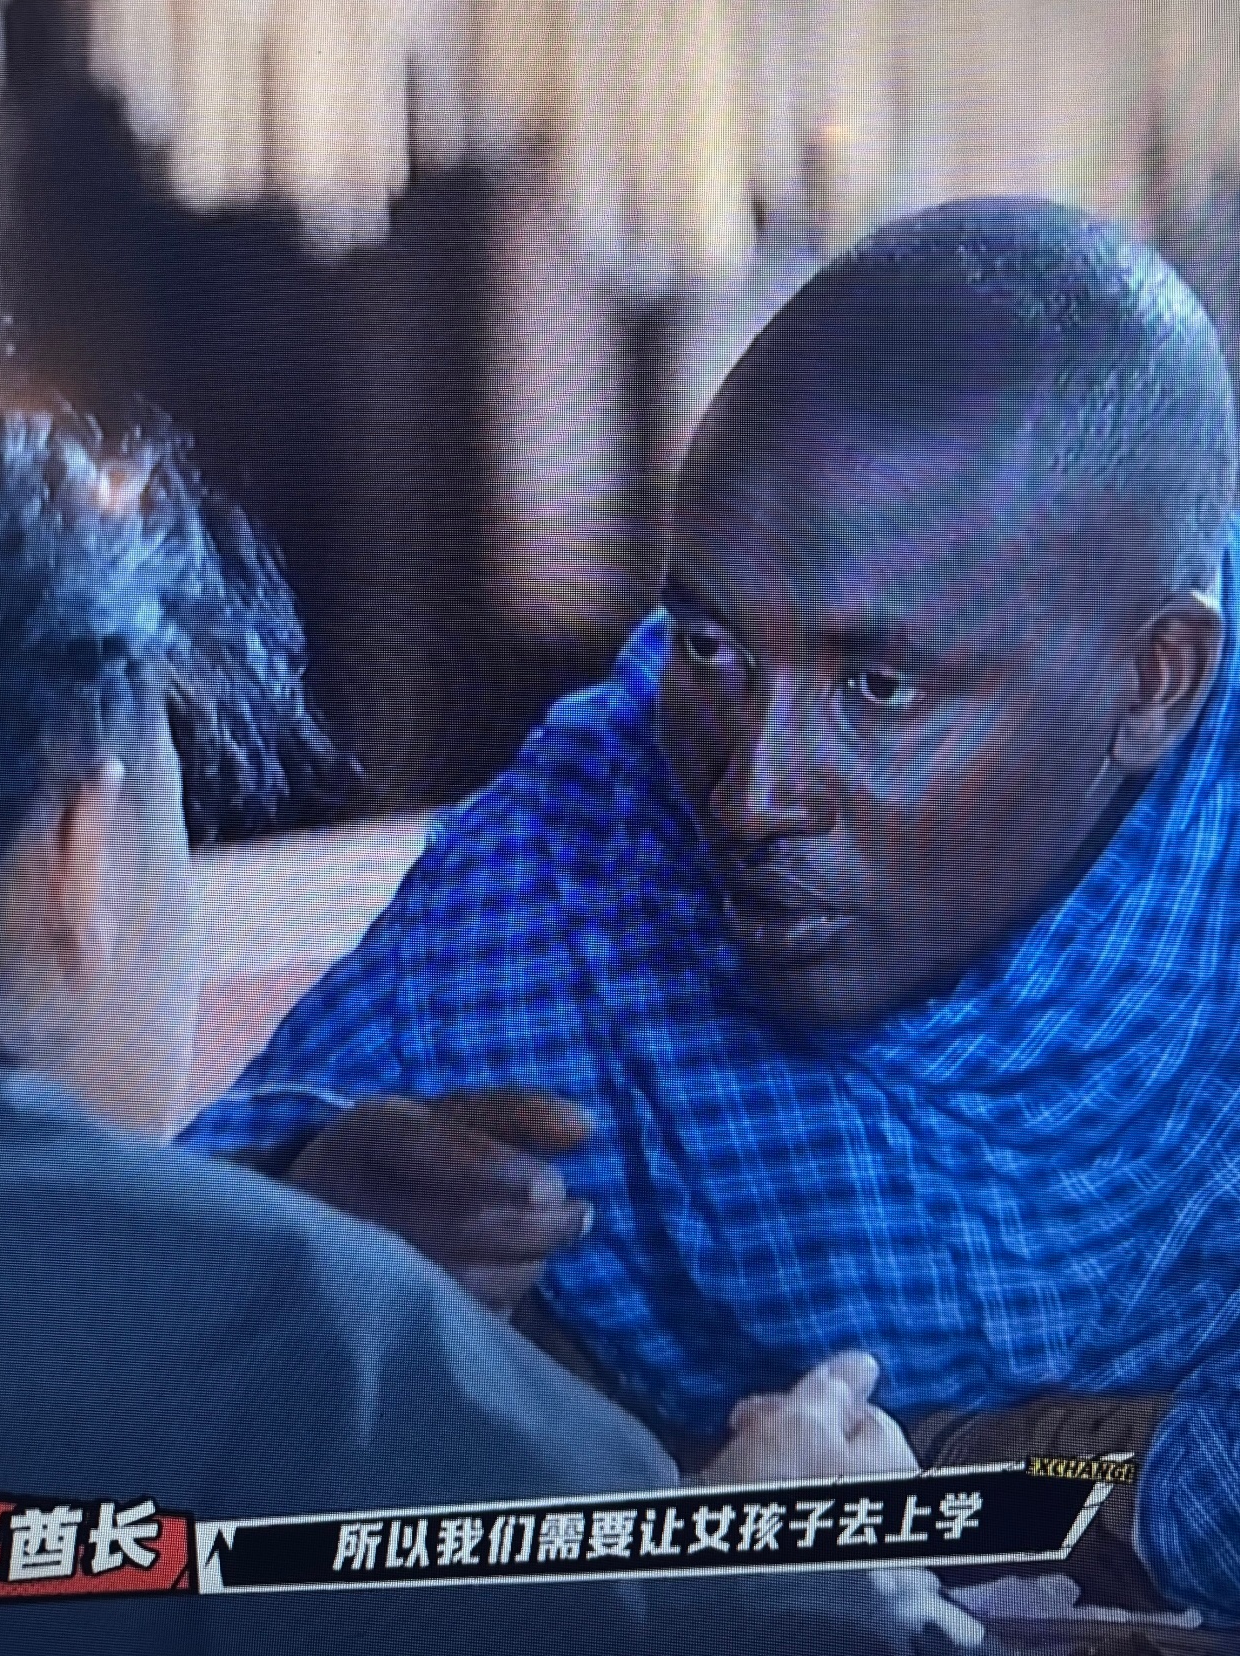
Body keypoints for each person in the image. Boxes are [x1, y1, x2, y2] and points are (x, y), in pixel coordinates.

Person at [181, 196, 1240, 1622]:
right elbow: (123, 1329)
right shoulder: (579, 853)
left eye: (878, 689)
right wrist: (304, 1235)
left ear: (1155, 681)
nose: (750, 794)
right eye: (711, 647)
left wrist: (911, 1488)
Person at [0, 410, 982, 1654]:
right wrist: (773, 1574)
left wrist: (275, 1209)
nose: (757, 795)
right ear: (78, 855)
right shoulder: (307, 1346)